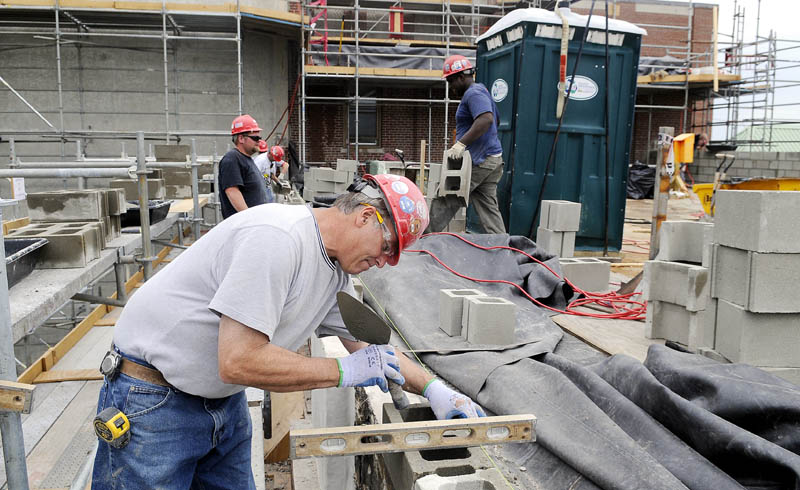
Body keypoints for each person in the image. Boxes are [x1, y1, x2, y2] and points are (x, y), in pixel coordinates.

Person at [91, 174, 484, 489]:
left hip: (220, 404)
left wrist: (434, 388)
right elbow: (238, 360)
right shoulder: (277, 240)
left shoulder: (333, 274)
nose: (384, 262)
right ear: (365, 216)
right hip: (153, 401)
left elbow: (375, 351)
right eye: (387, 247)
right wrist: (343, 371)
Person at [427, 54, 507, 234]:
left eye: (451, 81)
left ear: (461, 77)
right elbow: (496, 120)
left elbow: (486, 119)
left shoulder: (473, 93)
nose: (450, 87)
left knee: (446, 198)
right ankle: (503, 248)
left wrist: (461, 144)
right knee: (488, 209)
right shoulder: (481, 91)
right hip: (491, 161)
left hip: (478, 162)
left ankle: (423, 242)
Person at [218, 114, 268, 219]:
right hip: (244, 227)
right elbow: (232, 191)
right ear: (241, 138)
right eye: (255, 138)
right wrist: (249, 219)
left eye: (260, 137)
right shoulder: (232, 159)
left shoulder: (247, 159)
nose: (259, 141)